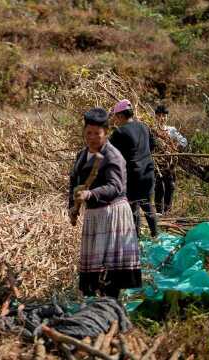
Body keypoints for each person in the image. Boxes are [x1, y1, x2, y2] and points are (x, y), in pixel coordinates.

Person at [69, 108, 141, 298]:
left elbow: (114, 186)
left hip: (112, 214)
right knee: (94, 266)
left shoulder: (113, 156)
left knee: (109, 267)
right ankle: (95, 302)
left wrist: (90, 194)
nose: (92, 137)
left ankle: (110, 304)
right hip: (94, 216)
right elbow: (74, 181)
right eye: (89, 133)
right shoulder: (82, 155)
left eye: (97, 134)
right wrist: (72, 204)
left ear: (106, 133)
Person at [109, 99, 158, 238]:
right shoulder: (143, 127)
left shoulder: (119, 132)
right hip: (148, 172)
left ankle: (136, 241)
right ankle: (156, 236)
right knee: (148, 205)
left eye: (115, 117)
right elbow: (153, 145)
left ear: (120, 116)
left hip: (133, 176)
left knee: (133, 207)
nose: (115, 120)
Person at [153, 105, 187, 215]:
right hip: (156, 164)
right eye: (159, 116)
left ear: (167, 117)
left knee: (170, 186)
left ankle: (167, 212)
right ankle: (159, 212)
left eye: (164, 116)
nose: (162, 118)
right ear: (155, 116)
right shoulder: (152, 130)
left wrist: (175, 145)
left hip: (170, 164)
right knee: (159, 187)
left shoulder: (171, 130)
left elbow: (184, 141)